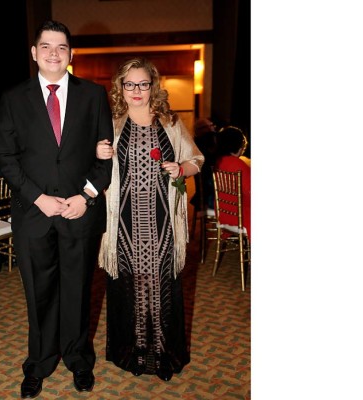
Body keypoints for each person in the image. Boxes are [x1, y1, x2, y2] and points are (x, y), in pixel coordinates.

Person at [0, 20, 114, 399]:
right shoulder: (13, 98)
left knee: (78, 291)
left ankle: (78, 359)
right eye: (45, 46)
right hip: (34, 214)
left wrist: (86, 196)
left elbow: (105, 158)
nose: (53, 53)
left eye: (61, 47)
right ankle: (39, 363)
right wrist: (38, 198)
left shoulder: (93, 95)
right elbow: (6, 158)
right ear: (34, 52)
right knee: (39, 294)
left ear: (71, 54)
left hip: (80, 213)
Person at [96, 58, 204, 382]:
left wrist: (181, 169)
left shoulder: (170, 122)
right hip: (123, 221)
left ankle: (163, 355)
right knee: (129, 284)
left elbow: (196, 159)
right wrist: (98, 153)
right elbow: (92, 166)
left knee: (161, 283)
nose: (137, 90)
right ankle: (133, 353)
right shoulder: (111, 125)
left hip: (163, 220)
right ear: (121, 87)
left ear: (152, 86)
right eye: (130, 84)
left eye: (143, 84)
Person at [214, 126, 251, 240]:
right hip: (241, 217)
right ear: (240, 145)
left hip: (224, 215)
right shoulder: (239, 165)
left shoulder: (219, 162)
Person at [190, 117, 217, 210]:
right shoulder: (200, 144)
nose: (210, 129)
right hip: (208, 191)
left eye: (211, 125)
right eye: (206, 127)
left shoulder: (214, 139)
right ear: (198, 131)